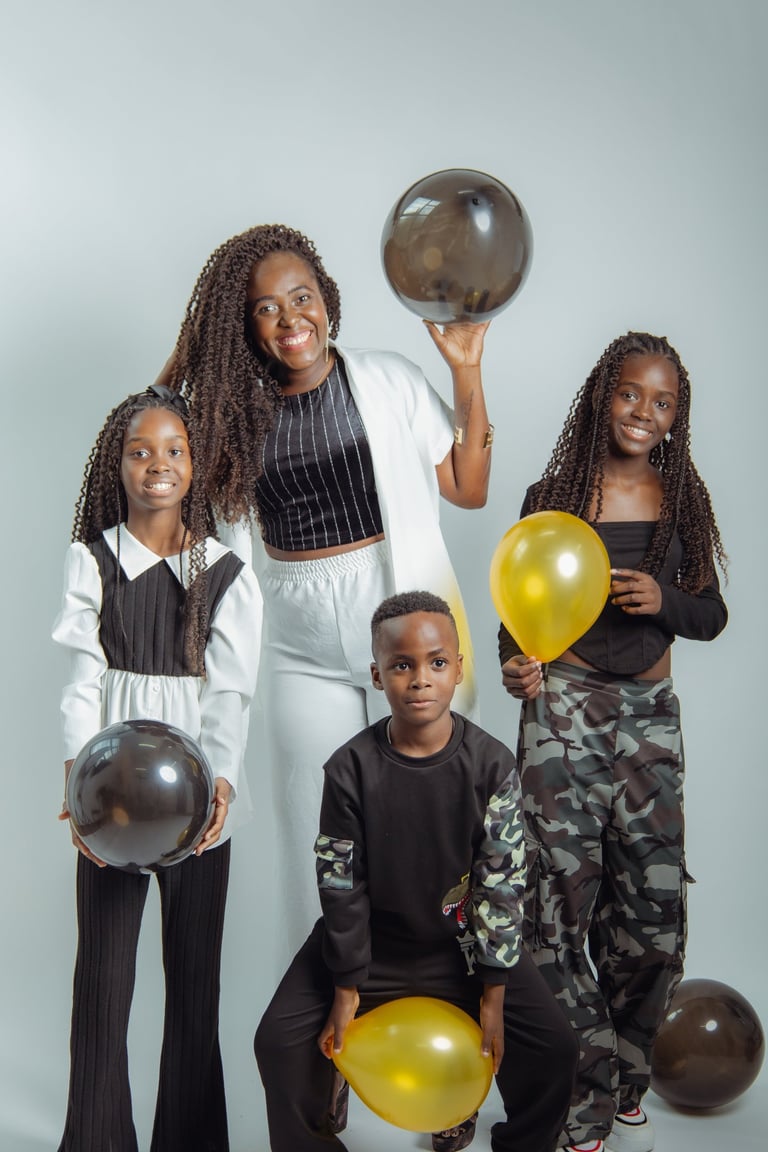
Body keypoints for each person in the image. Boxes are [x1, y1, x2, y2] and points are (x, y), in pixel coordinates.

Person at [158, 223, 495, 952]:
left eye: (301, 296)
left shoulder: (388, 379)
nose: (291, 319)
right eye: (265, 308)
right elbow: (152, 427)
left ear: (326, 297)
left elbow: (469, 487)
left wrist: (466, 370)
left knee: (430, 821)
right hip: (296, 638)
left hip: (398, 617)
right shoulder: (229, 418)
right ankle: (330, 1012)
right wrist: (192, 345)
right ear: (243, 326)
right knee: (318, 837)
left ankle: (442, 992)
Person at [498, 332, 728, 1152]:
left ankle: (627, 1079)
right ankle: (583, 1096)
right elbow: (517, 609)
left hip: (649, 719)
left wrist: (664, 599)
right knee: (553, 911)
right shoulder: (552, 495)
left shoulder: (682, 501)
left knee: (651, 919)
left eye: (662, 402)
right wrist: (516, 666)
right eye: (631, 393)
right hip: (562, 713)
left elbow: (711, 616)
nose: (643, 412)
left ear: (676, 417)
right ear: (604, 394)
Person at [254, 591, 578, 1152]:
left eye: (436, 662)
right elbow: (340, 884)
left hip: (463, 948)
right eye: (402, 665)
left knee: (555, 1048)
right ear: (377, 676)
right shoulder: (350, 768)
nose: (421, 679)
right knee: (278, 1041)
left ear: (458, 669)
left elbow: (502, 883)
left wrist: (494, 992)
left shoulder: (491, 764)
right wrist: (347, 986)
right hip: (371, 947)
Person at [53, 385, 261, 1152]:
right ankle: (96, 1139)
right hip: (112, 796)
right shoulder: (93, 560)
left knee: (194, 982)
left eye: (175, 450)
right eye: (140, 451)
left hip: (199, 795)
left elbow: (231, 692)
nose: (158, 464)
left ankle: (191, 1139)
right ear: (118, 464)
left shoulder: (226, 571)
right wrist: (79, 780)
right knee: (102, 981)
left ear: (196, 464)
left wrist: (222, 780)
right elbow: (82, 683)